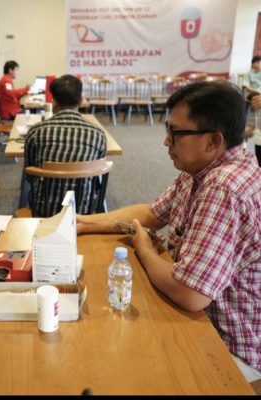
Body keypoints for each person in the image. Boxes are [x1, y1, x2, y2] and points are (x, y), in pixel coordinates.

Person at [77, 81, 261, 383]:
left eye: (175, 132)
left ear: (213, 140)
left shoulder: (223, 187)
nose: (166, 141)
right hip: (198, 319)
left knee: (110, 362)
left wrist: (145, 249)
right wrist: (85, 222)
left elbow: (191, 293)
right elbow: (151, 214)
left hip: (228, 348)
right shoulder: (201, 169)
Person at [24, 74, 107, 217]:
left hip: (43, 209)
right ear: (81, 101)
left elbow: (30, 174)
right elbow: (97, 175)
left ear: (53, 102)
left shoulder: (36, 132)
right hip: (82, 210)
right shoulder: (98, 135)